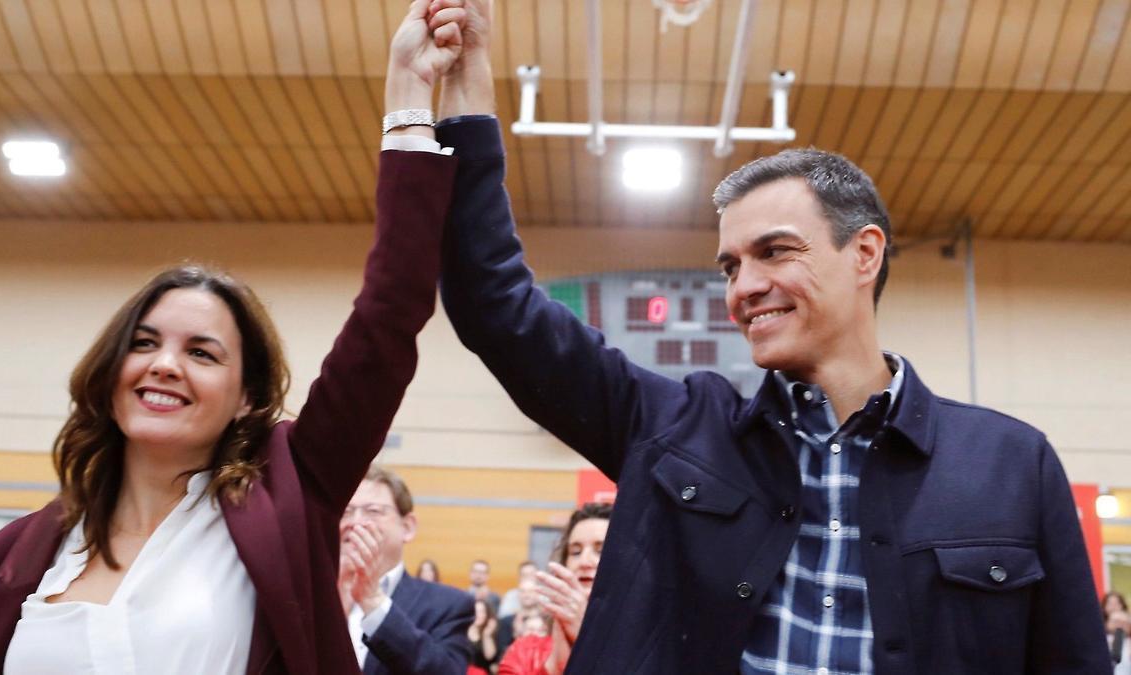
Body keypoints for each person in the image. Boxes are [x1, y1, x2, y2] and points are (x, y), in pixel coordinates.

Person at [428, 0, 1110, 671]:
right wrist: (465, 96)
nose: (743, 286)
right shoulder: (676, 429)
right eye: (731, 265)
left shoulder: (1013, 466)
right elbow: (494, 303)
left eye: (775, 251)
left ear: (865, 254)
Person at [0, 3, 467, 672]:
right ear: (110, 372)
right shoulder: (9, 555)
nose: (164, 364)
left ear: (248, 395)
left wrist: (407, 92)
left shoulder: (290, 494)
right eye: (143, 343)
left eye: (201, 352)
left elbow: (390, 313)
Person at [339, 465, 474, 675]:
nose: (355, 522)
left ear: (408, 527)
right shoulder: (309, 595)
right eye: (345, 512)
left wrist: (372, 600)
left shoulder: (447, 605)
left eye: (373, 511)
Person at [498, 504, 611, 675]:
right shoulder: (525, 652)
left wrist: (588, 643)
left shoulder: (646, 650)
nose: (584, 561)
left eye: (601, 550)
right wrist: (554, 668)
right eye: (575, 552)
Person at [467, 598, 499, 673]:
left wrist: (487, 635)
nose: (478, 615)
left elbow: (489, 657)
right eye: (475, 611)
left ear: (486, 615)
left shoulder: (489, 633)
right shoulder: (460, 632)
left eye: (481, 612)